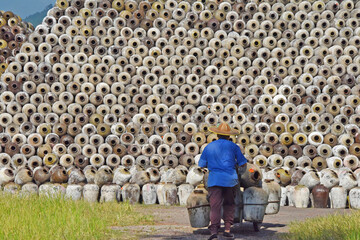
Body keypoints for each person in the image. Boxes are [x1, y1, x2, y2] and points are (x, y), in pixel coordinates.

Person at [198, 122, 247, 240]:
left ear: (217, 135)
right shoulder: (234, 147)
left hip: (214, 180)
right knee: (229, 204)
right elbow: (243, 163)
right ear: (229, 137)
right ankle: (227, 230)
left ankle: (214, 231)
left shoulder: (209, 147)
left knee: (215, 206)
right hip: (230, 180)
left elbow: (201, 164)